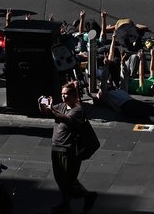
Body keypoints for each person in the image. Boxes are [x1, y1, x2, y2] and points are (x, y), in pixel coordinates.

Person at [39, 81, 97, 214]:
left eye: (66, 94)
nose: (63, 97)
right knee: (60, 178)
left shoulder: (78, 110)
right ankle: (66, 203)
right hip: (56, 147)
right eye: (62, 94)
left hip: (68, 149)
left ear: (73, 95)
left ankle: (87, 196)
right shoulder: (62, 106)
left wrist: (52, 109)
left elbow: (66, 119)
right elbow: (47, 112)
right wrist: (42, 105)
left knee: (69, 179)